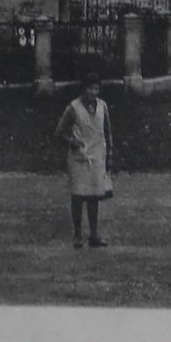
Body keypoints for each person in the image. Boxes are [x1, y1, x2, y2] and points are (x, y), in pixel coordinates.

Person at [54, 70, 113, 248]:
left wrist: (110, 155)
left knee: (95, 196)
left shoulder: (102, 106)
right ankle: (78, 234)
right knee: (78, 197)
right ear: (83, 89)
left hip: (97, 157)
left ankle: (94, 234)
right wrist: (72, 141)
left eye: (96, 89)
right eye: (90, 89)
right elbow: (58, 132)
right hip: (79, 157)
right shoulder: (74, 108)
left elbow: (107, 132)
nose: (93, 92)